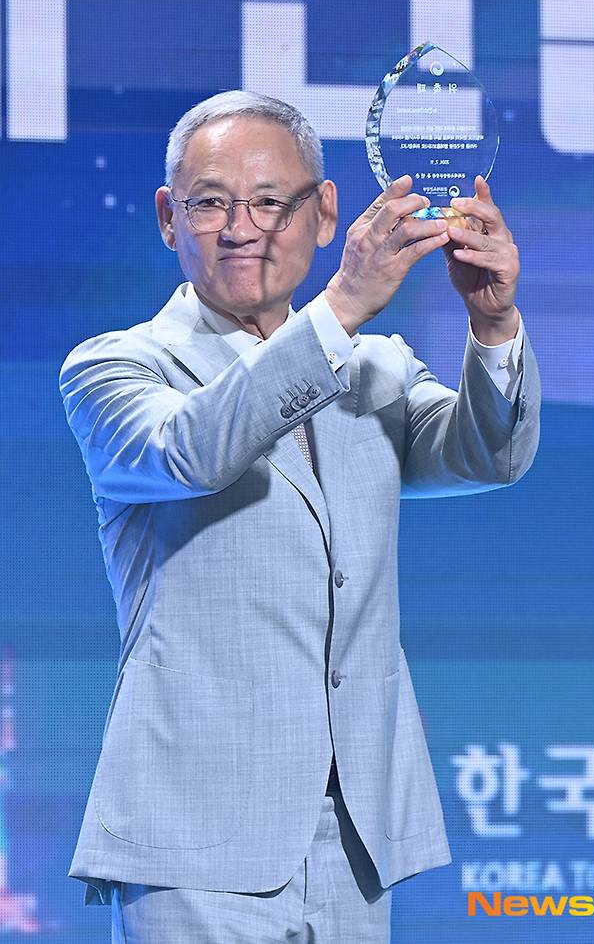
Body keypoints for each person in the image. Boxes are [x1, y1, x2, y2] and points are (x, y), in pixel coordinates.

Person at [59, 90, 540, 943]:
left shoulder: (376, 367)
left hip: (357, 829)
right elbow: (193, 451)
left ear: (323, 214)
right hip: (195, 830)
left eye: (271, 202)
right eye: (210, 203)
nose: (242, 229)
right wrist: (342, 305)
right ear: (169, 218)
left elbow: (488, 455)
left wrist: (493, 321)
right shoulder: (117, 367)